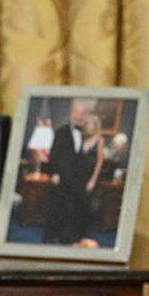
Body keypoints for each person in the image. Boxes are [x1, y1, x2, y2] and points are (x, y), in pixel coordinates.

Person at [43, 99, 96, 244]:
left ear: (86, 115)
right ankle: (50, 238)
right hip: (63, 178)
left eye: (82, 113)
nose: (78, 116)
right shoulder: (61, 132)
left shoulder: (89, 133)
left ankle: (75, 238)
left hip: (79, 180)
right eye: (76, 112)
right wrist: (54, 174)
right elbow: (53, 155)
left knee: (78, 210)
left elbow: (91, 159)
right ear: (71, 112)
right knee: (59, 209)